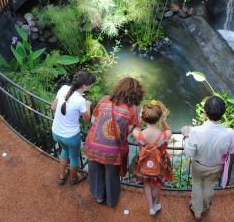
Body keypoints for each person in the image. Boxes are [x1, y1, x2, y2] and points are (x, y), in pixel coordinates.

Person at [84, 77, 144, 207]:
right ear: (136, 93)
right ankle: (111, 201)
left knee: (95, 171)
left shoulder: (104, 99)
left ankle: (98, 196)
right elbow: (126, 132)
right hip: (112, 150)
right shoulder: (132, 109)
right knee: (111, 176)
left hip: (93, 144)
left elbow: (93, 120)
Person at [181, 96, 234, 221]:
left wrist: (186, 136)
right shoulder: (230, 133)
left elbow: (189, 153)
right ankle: (205, 207)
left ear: (205, 112)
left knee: (197, 185)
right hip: (216, 166)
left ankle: (197, 211)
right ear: (223, 113)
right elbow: (231, 150)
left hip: (199, 165)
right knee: (209, 186)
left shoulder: (195, 131)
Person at [51, 71, 96, 185]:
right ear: (84, 86)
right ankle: (74, 178)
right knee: (74, 157)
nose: (92, 86)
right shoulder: (81, 101)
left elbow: (53, 107)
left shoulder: (64, 88)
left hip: (56, 132)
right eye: (91, 84)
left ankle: (62, 176)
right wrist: (88, 105)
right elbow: (87, 119)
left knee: (64, 150)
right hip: (71, 136)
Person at [132, 100, 173, 216]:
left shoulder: (138, 134)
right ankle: (155, 204)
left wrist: (140, 119)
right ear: (159, 118)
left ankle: (151, 208)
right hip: (159, 165)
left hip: (144, 165)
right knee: (156, 184)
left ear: (144, 118)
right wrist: (164, 121)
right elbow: (168, 130)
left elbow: (136, 128)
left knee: (147, 184)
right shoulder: (165, 135)